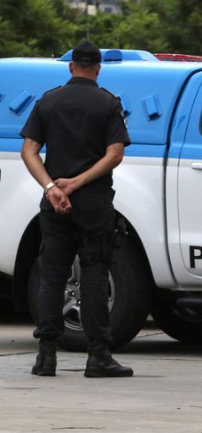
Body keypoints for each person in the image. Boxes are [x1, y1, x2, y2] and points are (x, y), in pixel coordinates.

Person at [20, 41, 133, 378]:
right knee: (95, 274)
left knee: (53, 275)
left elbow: (28, 150)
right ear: (98, 68)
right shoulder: (108, 103)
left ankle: (46, 356)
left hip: (54, 204)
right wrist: (76, 183)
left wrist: (53, 186)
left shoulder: (48, 101)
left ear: (71, 67)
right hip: (94, 203)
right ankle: (98, 356)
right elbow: (114, 154)